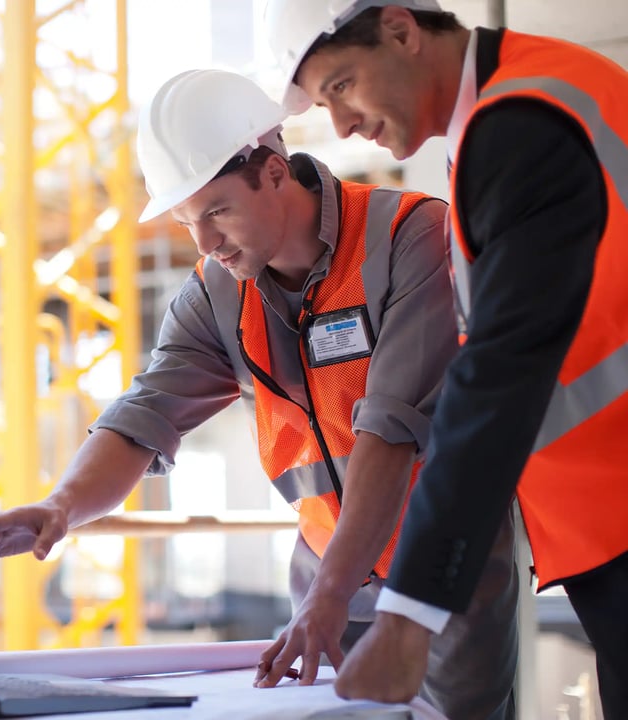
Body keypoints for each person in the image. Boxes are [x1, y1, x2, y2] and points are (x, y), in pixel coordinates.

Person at [0, 68, 517, 718]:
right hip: (324, 576)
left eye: (218, 210)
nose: (205, 242)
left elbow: (391, 432)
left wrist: (329, 598)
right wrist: (63, 505)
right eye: (187, 219)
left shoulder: (408, 237)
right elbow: (146, 412)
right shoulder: (218, 291)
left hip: (439, 574)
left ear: (275, 171)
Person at [263, 0, 628, 717]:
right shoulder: (529, 102)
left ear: (401, 30)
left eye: (341, 86)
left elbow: (498, 373)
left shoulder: (522, 125)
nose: (339, 126)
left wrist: (409, 613)